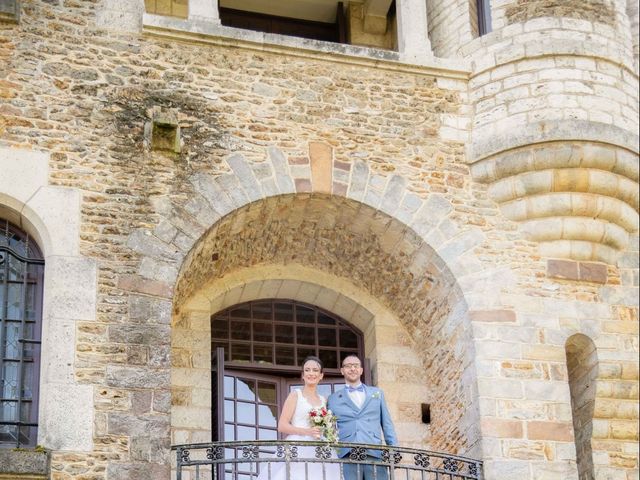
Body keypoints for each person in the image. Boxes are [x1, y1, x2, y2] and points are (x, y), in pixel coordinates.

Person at [256, 356, 341, 480]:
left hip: (320, 449)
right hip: (297, 447)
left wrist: (329, 432)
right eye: (307, 370)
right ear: (302, 375)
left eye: (315, 370)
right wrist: (306, 431)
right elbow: (282, 425)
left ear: (321, 375)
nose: (311, 373)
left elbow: (329, 427)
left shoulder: (324, 400)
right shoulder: (295, 395)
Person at [327, 355, 398, 480]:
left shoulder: (377, 393)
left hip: (375, 452)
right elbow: (330, 430)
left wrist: (394, 450)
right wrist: (336, 451)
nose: (352, 369)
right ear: (342, 371)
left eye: (355, 366)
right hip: (347, 455)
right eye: (348, 366)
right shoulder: (333, 399)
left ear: (361, 370)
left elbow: (387, 424)